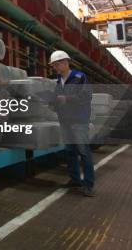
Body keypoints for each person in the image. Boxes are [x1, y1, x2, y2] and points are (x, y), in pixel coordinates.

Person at [49, 50, 95, 197]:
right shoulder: (58, 81)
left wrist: (67, 99)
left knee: (84, 152)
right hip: (65, 121)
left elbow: (87, 96)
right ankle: (75, 179)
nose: (55, 68)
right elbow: (58, 99)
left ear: (65, 62)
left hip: (79, 120)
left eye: (56, 65)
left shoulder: (79, 77)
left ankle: (88, 184)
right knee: (70, 152)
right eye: (53, 66)